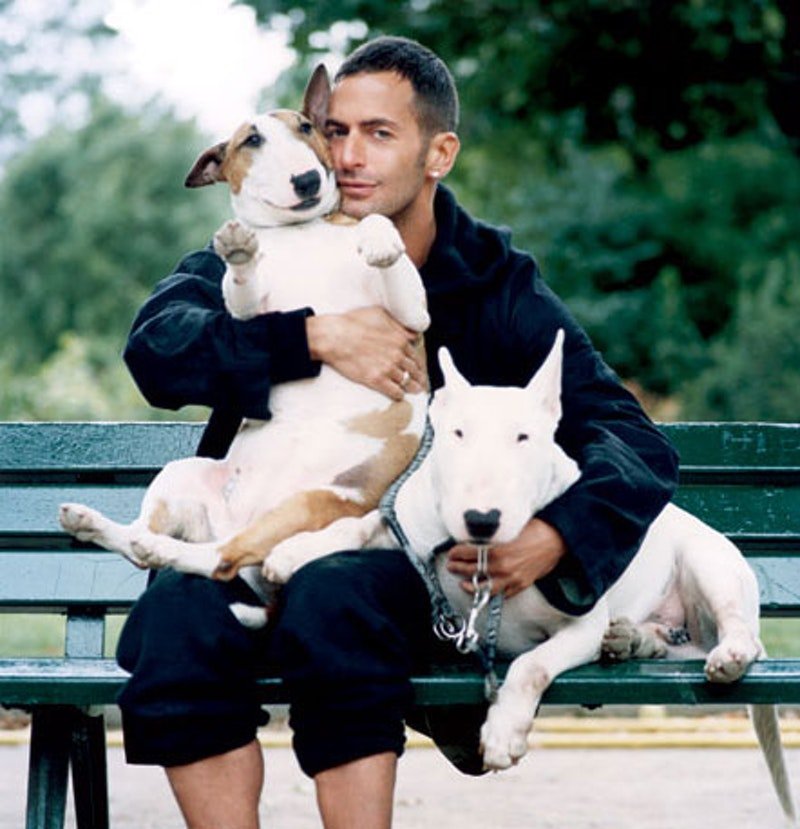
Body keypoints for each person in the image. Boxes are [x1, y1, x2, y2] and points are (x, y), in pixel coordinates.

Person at [116, 36, 679, 829]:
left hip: (396, 582)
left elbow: (629, 436)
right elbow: (156, 348)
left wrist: (557, 537)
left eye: (379, 134)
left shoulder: (493, 282)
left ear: (438, 151)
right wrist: (309, 336)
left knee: (334, 591)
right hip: (246, 543)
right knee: (174, 615)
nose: (346, 154)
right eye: (334, 130)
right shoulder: (273, 239)